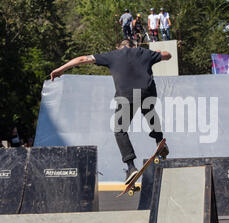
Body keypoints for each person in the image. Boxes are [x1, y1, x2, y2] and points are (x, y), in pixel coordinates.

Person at [50, 39, 171, 183]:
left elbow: (82, 59)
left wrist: (61, 69)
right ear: (134, 46)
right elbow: (167, 55)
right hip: (148, 92)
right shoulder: (143, 52)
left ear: (118, 47)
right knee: (148, 108)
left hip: (126, 95)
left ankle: (131, 167)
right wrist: (156, 54)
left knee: (120, 129)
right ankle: (159, 140)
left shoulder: (112, 55)